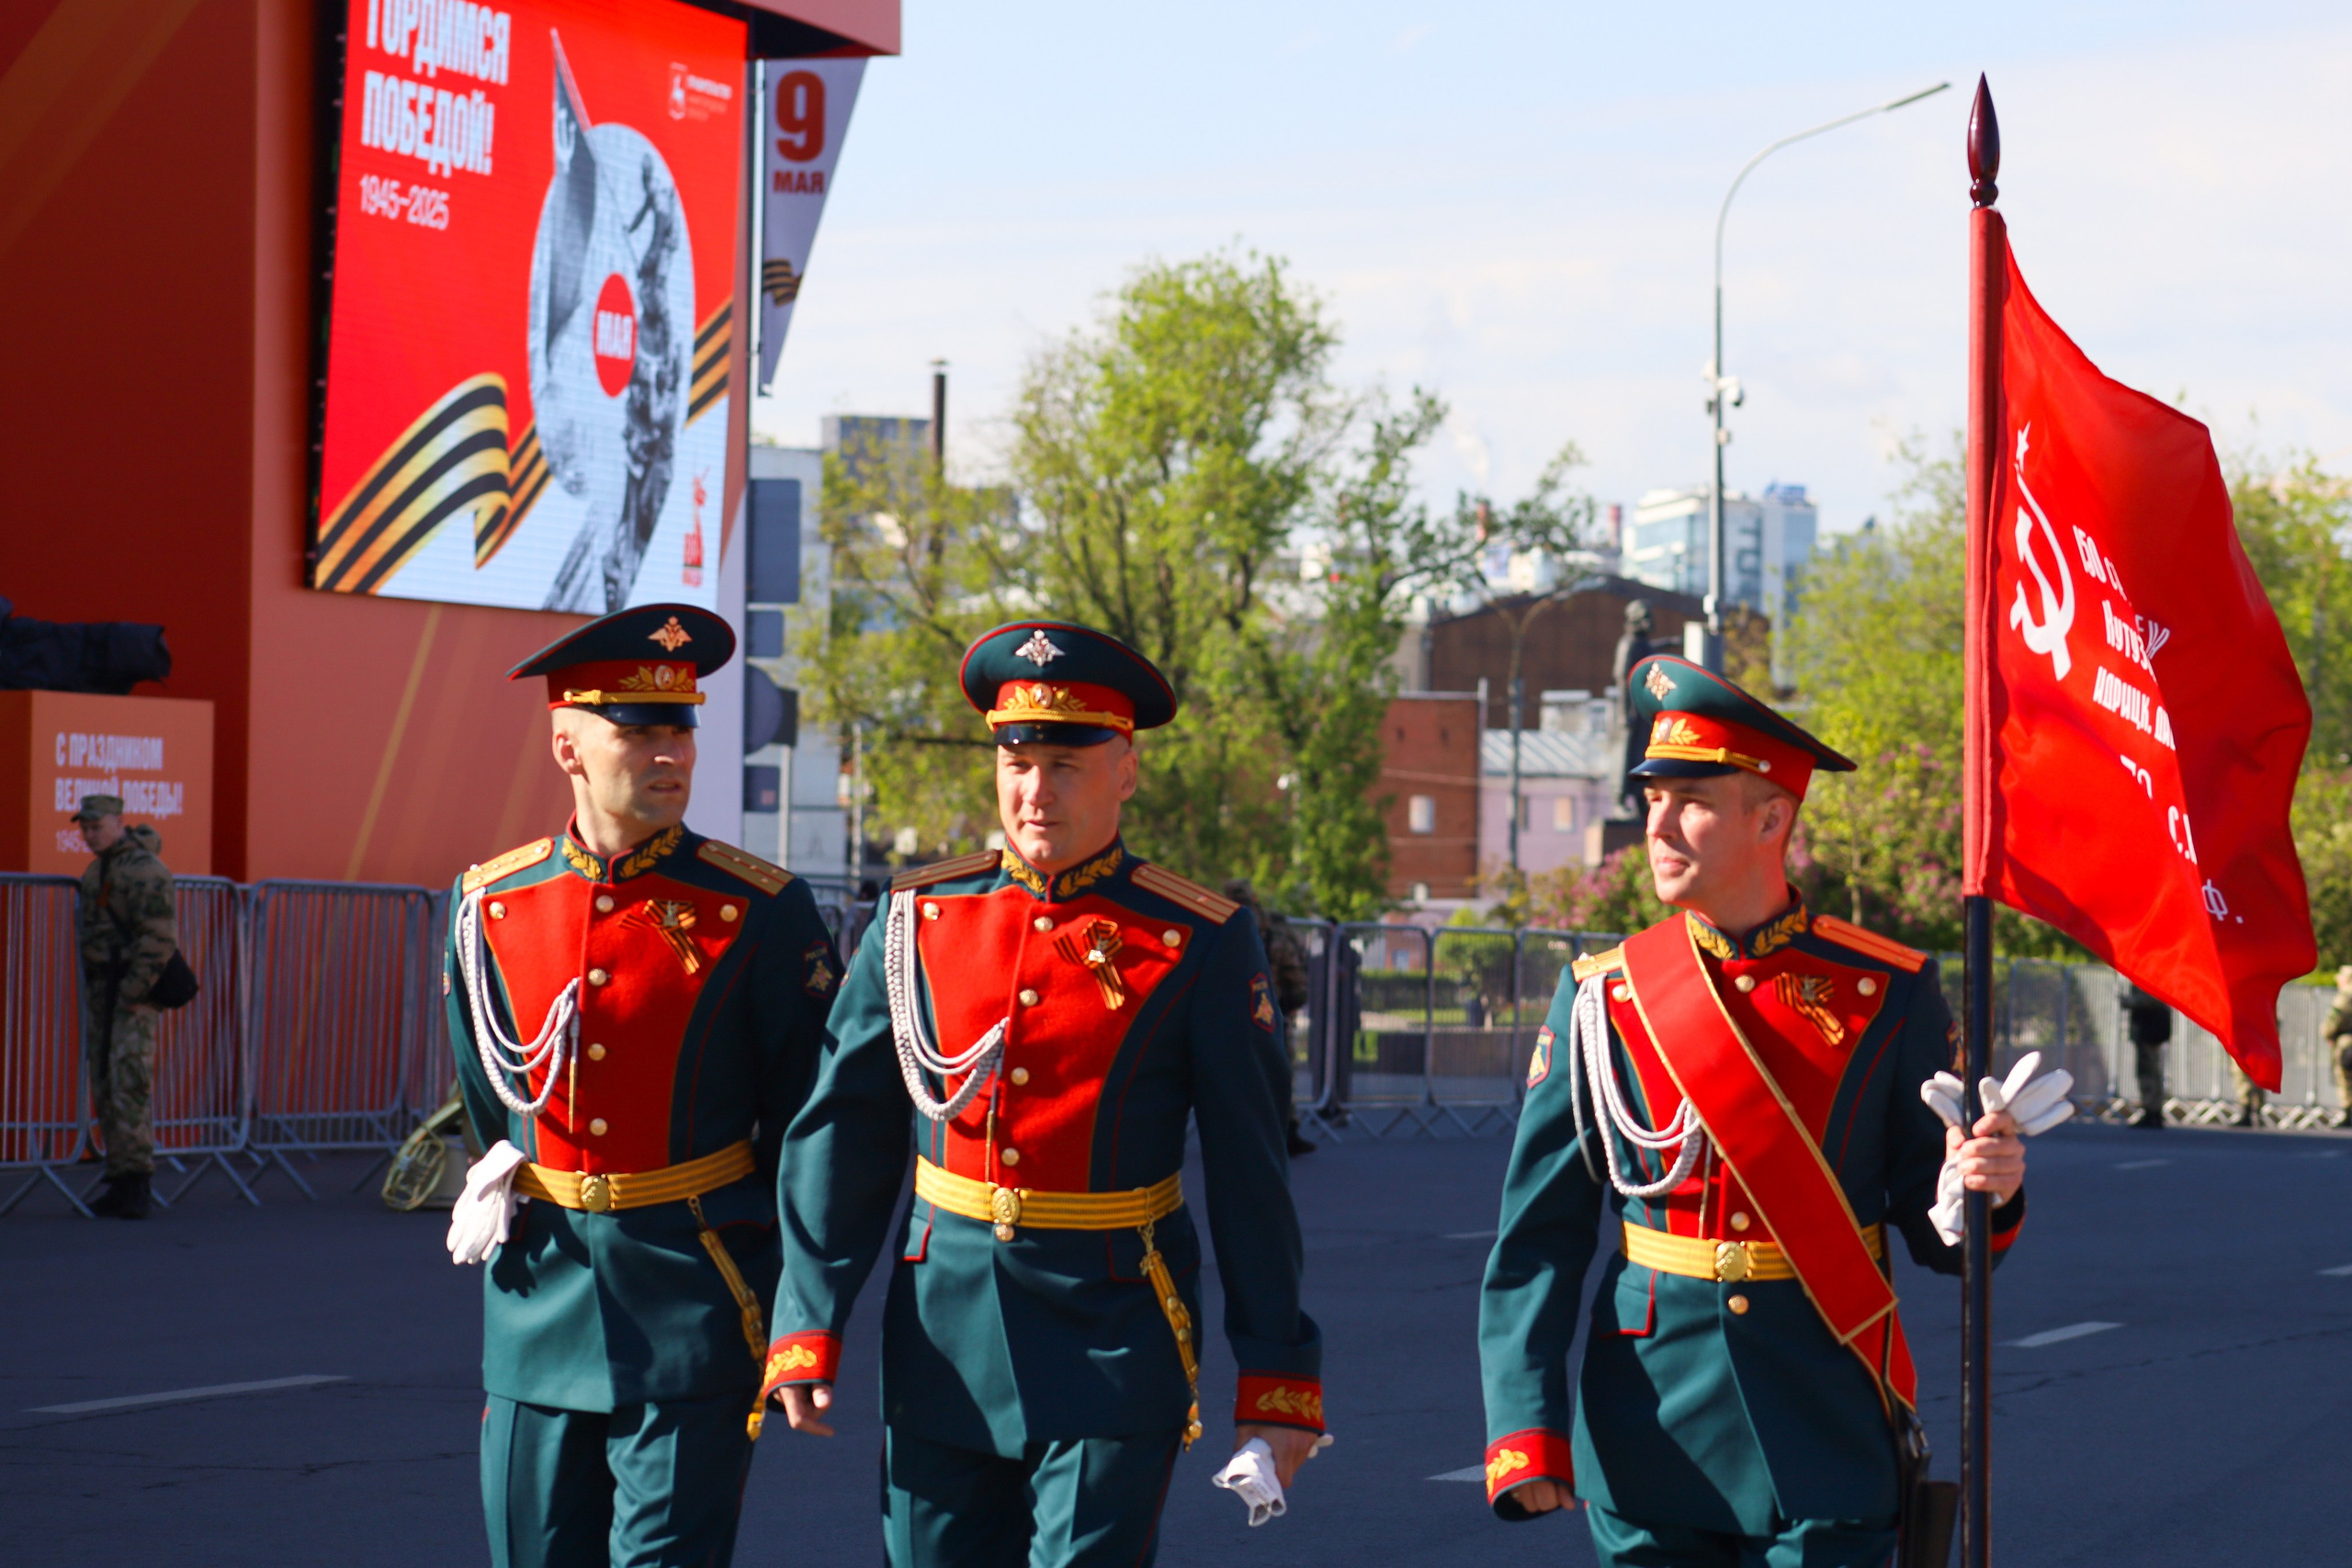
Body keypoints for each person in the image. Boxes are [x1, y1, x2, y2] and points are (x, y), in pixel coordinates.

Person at [763, 619, 1325, 1567]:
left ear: (1126, 771)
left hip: (1115, 1332)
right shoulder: (919, 920)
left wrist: (1277, 1380)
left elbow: (1250, 1175)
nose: (1035, 791)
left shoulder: (1195, 940)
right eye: (1017, 762)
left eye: (1066, 763)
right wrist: (806, 1315)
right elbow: (842, 1130)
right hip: (943, 1332)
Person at [1478, 655, 2029, 1568]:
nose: (1656, 824)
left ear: (1770, 817)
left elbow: (1936, 1233)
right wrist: (1524, 1428)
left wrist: (1985, 1191)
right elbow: (1536, 1237)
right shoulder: (1601, 1001)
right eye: (1651, 798)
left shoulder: (1884, 993)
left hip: (1822, 1421)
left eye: (1690, 799)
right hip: (1651, 1430)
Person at [442, 604, 842, 1568]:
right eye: (638, 731)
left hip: (693, 1299)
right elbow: (491, 1100)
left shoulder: (760, 910)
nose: (670, 753)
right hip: (537, 1305)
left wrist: (801, 1314)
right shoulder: (491, 903)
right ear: (567, 745)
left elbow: (809, 1130)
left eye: (681, 728)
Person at [74, 793, 176, 1220]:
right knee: (106, 1083)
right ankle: (120, 1177)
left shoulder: (144, 871)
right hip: (106, 989)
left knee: (128, 1083)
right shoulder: (100, 869)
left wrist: (135, 992)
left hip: (130, 991)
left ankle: (136, 1180)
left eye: (97, 826)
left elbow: (159, 937)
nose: (89, 833)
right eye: (85, 827)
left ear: (120, 822)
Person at [1225, 877, 1317, 1156]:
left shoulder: (1222, 924)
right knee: (1279, 1069)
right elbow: (1295, 967)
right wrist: (1293, 999)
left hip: (1238, 1010)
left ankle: (1245, 1134)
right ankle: (1283, 1131)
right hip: (1270, 1009)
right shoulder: (1273, 927)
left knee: (1239, 1073)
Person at [2121, 981, 2172, 1129]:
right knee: (2152, 1071)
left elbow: (2150, 999)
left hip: (2149, 1029)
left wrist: (2130, 1002)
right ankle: (2152, 1110)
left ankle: (2152, 1110)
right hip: (2150, 1029)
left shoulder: (2148, 977)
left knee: (2148, 1072)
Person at [2326, 966, 2352, 1130]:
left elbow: (2334, 1020)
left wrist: (2328, 1034)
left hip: (2347, 1042)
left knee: (2345, 1079)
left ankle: (2347, 1112)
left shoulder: (2346, 995)